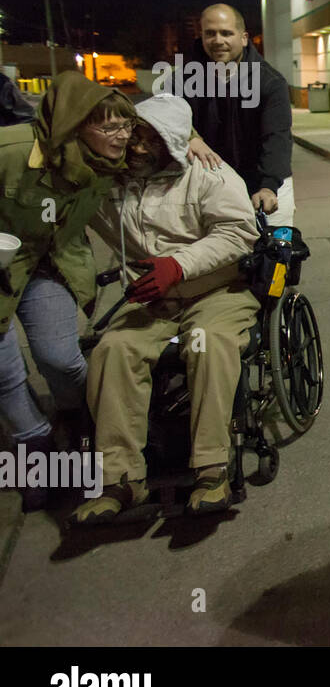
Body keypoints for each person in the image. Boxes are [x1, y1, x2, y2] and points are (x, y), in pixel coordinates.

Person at [71, 93, 261, 523]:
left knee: (208, 343)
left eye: (150, 139)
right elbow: (68, 143)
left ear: (173, 141)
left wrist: (179, 264)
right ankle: (120, 479)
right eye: (133, 135)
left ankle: (211, 470)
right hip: (152, 296)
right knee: (112, 350)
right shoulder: (111, 180)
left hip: (217, 290)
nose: (137, 147)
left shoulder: (208, 172)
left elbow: (239, 232)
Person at [0, 72, 133, 511]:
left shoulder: (103, 162)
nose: (123, 135)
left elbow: (161, 123)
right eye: (110, 126)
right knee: (4, 372)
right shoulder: (14, 150)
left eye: (125, 125)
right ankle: (33, 443)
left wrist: (191, 136)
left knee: (59, 357)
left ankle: (78, 417)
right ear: (76, 124)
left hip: (50, 263)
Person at [183, 3, 295, 226]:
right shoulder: (184, 79)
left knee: (276, 255)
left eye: (226, 33)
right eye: (210, 33)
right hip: (209, 186)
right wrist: (190, 135)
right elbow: (160, 115)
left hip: (264, 183)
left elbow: (277, 137)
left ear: (243, 38)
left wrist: (268, 185)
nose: (217, 40)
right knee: (218, 258)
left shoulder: (270, 82)